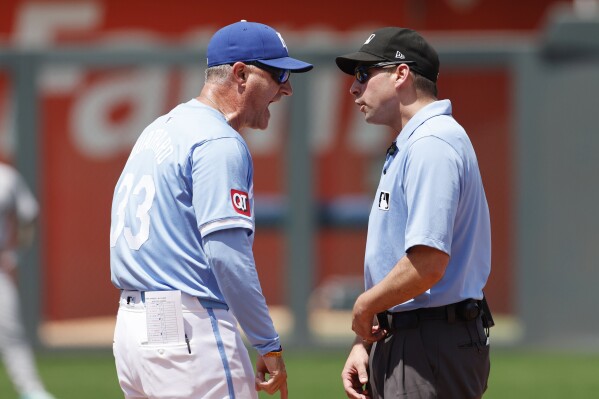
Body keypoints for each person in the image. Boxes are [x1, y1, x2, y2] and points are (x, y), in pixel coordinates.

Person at [109, 20, 312, 399]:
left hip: (133, 332)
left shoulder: (160, 128)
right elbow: (226, 255)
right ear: (241, 74)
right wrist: (267, 342)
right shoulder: (218, 141)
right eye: (279, 73)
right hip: (189, 332)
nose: (287, 87)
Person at [336, 27, 492, 399]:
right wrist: (366, 339)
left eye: (363, 75)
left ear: (401, 74)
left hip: (430, 342)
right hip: (412, 336)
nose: (354, 89)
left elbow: (428, 262)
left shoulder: (431, 144)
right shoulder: (413, 144)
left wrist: (365, 306)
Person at [0, 162, 57, 399]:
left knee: (11, 330)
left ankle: (31, 389)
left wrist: (16, 255)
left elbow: (28, 214)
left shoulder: (6, 177)